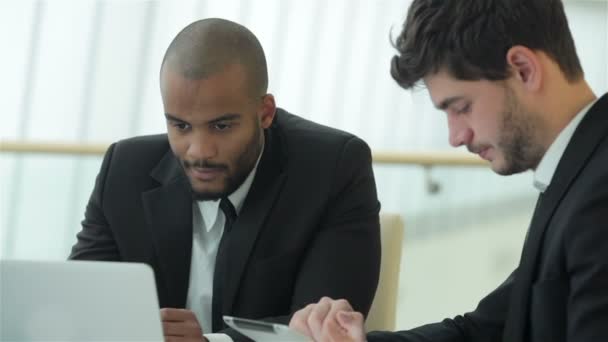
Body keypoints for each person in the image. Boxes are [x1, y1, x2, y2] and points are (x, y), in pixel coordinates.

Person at [289, 0, 608, 341]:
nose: (456, 137)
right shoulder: (576, 175)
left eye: (461, 107)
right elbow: (483, 330)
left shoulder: (598, 194)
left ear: (523, 69)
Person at [69, 18, 381, 342]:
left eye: (221, 127)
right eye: (180, 126)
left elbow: (326, 330)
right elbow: (75, 304)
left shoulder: (333, 169)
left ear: (265, 113)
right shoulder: (124, 171)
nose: (199, 152)